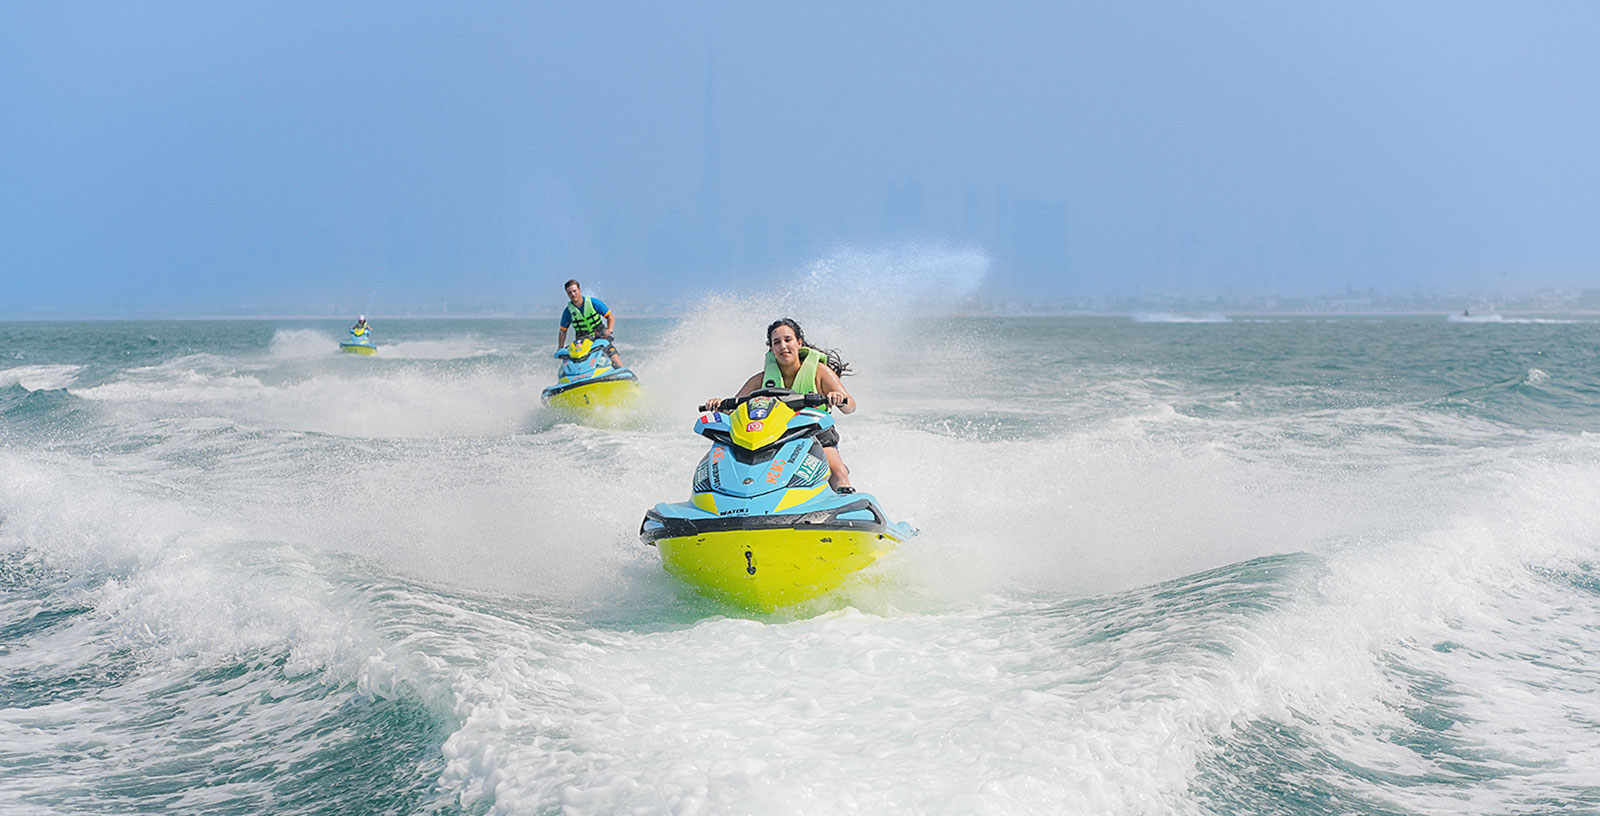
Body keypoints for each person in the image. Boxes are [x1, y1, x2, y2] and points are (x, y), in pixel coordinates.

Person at [707, 318, 857, 492]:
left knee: (837, 472)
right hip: (773, 438)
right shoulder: (761, 380)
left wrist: (837, 398)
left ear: (799, 343)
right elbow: (731, 409)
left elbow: (850, 406)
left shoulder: (819, 372)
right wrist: (718, 404)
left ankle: (846, 506)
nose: (783, 346)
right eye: (776, 342)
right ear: (771, 348)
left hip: (815, 434)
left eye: (788, 340)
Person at [557, 279, 623, 367]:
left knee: (612, 353)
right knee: (575, 358)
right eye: (569, 293)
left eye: (574, 291)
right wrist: (560, 347)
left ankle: (622, 370)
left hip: (600, 335)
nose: (573, 294)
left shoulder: (593, 302)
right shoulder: (568, 311)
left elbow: (610, 316)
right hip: (582, 339)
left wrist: (609, 329)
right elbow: (563, 331)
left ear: (579, 290)